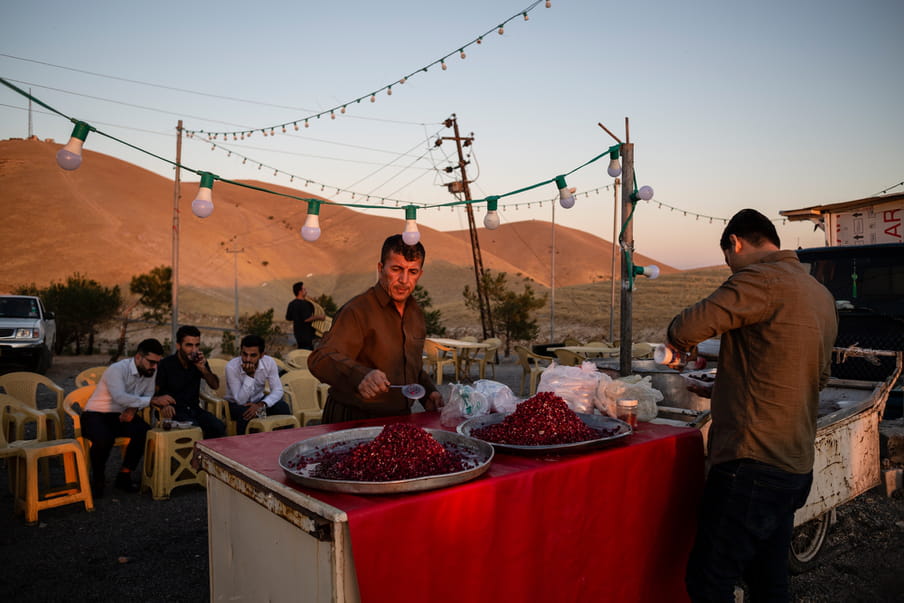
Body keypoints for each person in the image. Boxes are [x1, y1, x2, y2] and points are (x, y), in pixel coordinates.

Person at [662, 209, 837, 602]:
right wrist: (726, 386)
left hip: (751, 462)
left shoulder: (759, 279)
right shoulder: (819, 295)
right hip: (793, 464)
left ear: (736, 242)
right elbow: (809, 377)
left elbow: (685, 329)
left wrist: (677, 344)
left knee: (709, 580)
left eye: (728, 257)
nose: (730, 265)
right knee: (769, 582)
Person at [308, 234, 443, 423]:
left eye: (412, 272)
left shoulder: (416, 314)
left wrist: (428, 392)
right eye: (396, 269)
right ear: (381, 269)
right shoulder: (357, 310)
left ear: (419, 274)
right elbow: (320, 358)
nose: (404, 280)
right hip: (352, 420)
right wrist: (360, 376)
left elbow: (410, 365)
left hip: (399, 421)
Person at [82, 338, 176, 496]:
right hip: (96, 413)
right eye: (152, 362)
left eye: (158, 362)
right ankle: (98, 478)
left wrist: (133, 410)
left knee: (145, 432)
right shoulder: (117, 369)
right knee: (104, 439)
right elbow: (120, 396)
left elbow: (146, 394)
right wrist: (152, 401)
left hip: (122, 413)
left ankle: (124, 475)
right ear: (138, 357)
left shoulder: (150, 370)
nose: (155, 366)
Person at [155, 325, 226, 439]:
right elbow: (154, 392)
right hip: (174, 411)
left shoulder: (198, 361)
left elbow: (215, 385)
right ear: (178, 345)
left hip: (194, 409)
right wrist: (163, 405)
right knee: (195, 430)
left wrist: (202, 368)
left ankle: (207, 455)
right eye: (189, 345)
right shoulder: (166, 364)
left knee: (218, 427)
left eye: (197, 345)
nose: (194, 350)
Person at [224, 334, 293, 434]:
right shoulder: (231, 367)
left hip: (259, 403)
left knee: (283, 407)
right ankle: (244, 446)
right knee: (246, 414)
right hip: (236, 405)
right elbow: (240, 400)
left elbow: (278, 390)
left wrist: (261, 405)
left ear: (261, 355)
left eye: (253, 355)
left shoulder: (269, 362)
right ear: (240, 352)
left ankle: (283, 442)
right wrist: (250, 376)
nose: (247, 359)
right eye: (244, 354)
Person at [285, 282, 325, 350]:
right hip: (307, 335)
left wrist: (297, 318)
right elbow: (306, 319)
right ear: (300, 291)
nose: (306, 290)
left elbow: (288, 317)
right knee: (308, 354)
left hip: (297, 334)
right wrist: (319, 317)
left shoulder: (292, 304)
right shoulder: (304, 304)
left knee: (302, 352)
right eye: (304, 289)